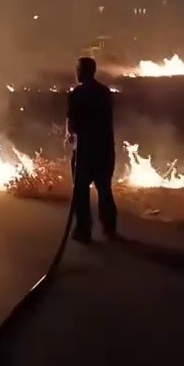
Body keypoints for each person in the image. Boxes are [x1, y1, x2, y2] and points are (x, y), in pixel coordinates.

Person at [66, 57, 117, 244]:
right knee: (104, 189)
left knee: (81, 190)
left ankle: (83, 229)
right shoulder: (104, 93)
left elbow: (72, 123)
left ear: (83, 71)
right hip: (104, 150)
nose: (76, 73)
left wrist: (70, 135)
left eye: (78, 69)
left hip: (85, 152)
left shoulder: (78, 93)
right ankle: (109, 228)